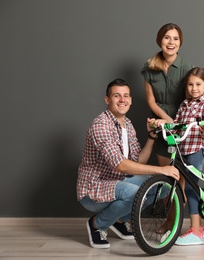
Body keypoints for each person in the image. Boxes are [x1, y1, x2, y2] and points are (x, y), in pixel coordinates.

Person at [76, 78, 180, 249]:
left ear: (130, 100)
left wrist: (151, 137)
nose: (122, 100)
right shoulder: (101, 125)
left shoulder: (127, 124)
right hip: (94, 189)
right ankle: (96, 225)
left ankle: (119, 220)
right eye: (117, 96)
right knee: (135, 193)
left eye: (126, 96)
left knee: (163, 187)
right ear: (107, 99)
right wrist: (162, 168)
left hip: (118, 181)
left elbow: (138, 162)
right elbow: (121, 165)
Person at [151, 67, 204, 246]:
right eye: (190, 84)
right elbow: (177, 124)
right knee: (176, 185)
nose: (194, 88)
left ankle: (196, 231)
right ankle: (175, 224)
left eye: (198, 84)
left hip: (195, 150)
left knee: (191, 188)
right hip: (181, 150)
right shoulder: (184, 104)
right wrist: (164, 123)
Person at [141, 23, 193, 167]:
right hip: (161, 125)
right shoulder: (149, 67)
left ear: (180, 42)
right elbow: (151, 101)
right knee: (166, 174)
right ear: (160, 40)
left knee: (182, 175)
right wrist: (167, 119)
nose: (171, 42)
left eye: (176, 39)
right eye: (167, 38)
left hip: (182, 124)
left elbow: (192, 100)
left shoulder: (187, 67)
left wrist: (176, 123)